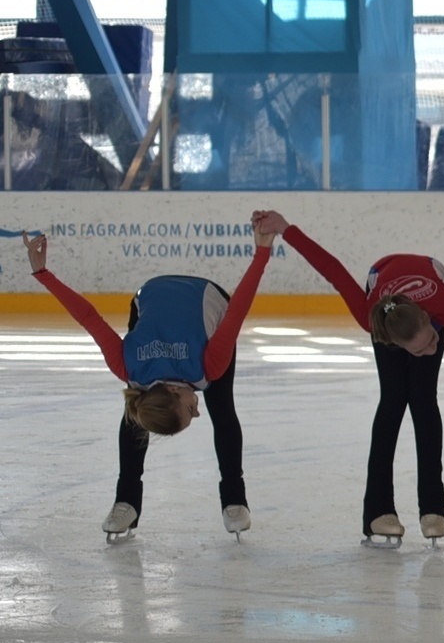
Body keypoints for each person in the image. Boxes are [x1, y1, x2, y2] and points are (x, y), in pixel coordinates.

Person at [23, 212, 282, 538]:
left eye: (190, 410)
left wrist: (262, 251)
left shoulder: (162, 366)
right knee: (140, 411)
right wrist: (42, 274)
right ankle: (126, 502)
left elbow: (236, 311)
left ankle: (234, 499)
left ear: (174, 392)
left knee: (221, 407)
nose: (197, 411)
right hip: (154, 299)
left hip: (205, 295)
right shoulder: (136, 369)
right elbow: (88, 316)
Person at [283, 213, 444, 545]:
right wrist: (285, 229)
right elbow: (332, 269)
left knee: (423, 397)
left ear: (430, 321)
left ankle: (433, 508)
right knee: (393, 398)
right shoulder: (372, 319)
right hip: (384, 283)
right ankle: (377, 511)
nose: (432, 350)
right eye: (420, 350)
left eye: (433, 340)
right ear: (393, 343)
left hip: (428, 277)